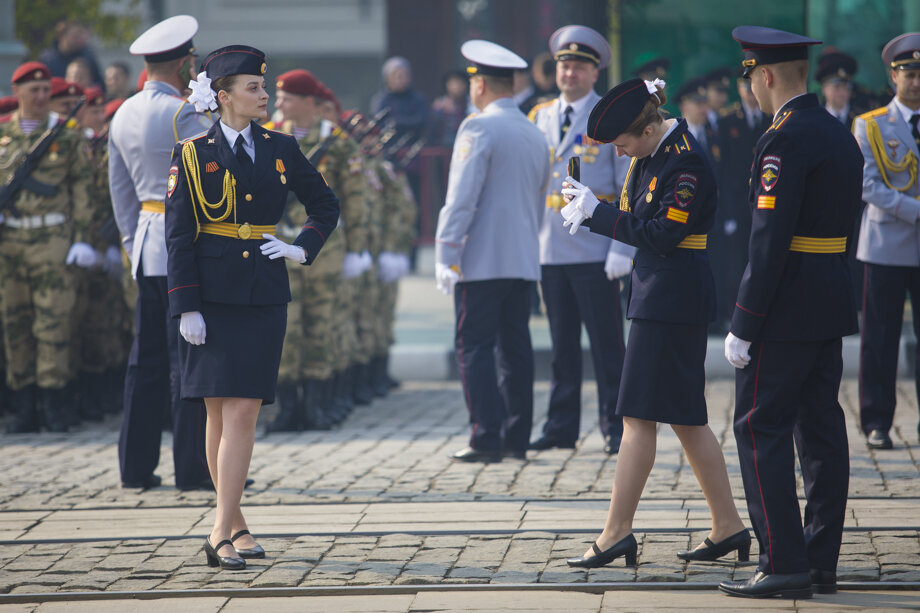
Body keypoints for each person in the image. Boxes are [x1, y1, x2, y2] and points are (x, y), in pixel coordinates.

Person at [559, 78, 749, 571]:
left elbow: (663, 234)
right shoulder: (654, 154)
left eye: (623, 144)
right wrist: (593, 207)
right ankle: (728, 525)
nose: (619, 153)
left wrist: (598, 215)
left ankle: (616, 533)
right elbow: (636, 214)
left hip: (670, 299)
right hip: (661, 295)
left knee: (637, 416)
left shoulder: (684, 161)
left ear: (647, 129)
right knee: (686, 417)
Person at [166, 44, 339, 570]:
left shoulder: (281, 147)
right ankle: (235, 523)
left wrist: (300, 247)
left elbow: (325, 203)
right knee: (218, 412)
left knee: (243, 410)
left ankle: (219, 529)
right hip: (211, 296)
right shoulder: (191, 153)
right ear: (223, 96)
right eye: (254, 88)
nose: (264, 95)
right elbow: (179, 235)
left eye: (263, 87)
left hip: (263, 293)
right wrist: (185, 306)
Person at [719, 26, 863, 599]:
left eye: (751, 77)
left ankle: (782, 560)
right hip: (829, 297)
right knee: (821, 428)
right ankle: (820, 559)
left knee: (760, 428)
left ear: (766, 76)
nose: (751, 89)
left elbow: (769, 241)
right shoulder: (837, 132)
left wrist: (744, 321)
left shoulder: (783, 140)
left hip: (783, 308)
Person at [108, 15, 213, 490]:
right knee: (189, 360)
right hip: (184, 248)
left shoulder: (122, 112)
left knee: (145, 360)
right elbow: (209, 182)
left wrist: (132, 243)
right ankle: (193, 468)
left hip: (147, 244)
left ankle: (134, 466)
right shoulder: (181, 113)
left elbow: (119, 191)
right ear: (185, 63)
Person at [435, 40, 549, 463]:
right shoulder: (534, 132)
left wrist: (446, 253)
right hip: (522, 258)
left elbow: (461, 199)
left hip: (481, 260)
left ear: (480, 85)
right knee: (515, 348)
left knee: (475, 347)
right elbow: (538, 200)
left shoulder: (478, 128)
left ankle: (486, 436)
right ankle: (516, 437)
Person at [527, 25, 632, 455]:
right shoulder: (539, 115)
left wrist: (622, 248)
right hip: (550, 248)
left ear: (594, 73)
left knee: (607, 345)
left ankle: (617, 427)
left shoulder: (607, 117)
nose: (569, 73)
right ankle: (561, 426)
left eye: (579, 67)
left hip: (594, 248)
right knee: (561, 345)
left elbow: (626, 187)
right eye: (564, 65)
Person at [264, 69, 367, 430]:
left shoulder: (337, 143)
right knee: (287, 329)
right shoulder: (269, 137)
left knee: (322, 327)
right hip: (280, 246)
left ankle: (316, 406)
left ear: (309, 101)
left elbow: (354, 199)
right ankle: (288, 407)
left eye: (287, 98)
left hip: (325, 249)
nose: (279, 103)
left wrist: (357, 249)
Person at [0, 61, 93, 433]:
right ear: (17, 92)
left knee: (53, 323)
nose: (40, 97)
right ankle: (25, 407)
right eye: (33, 90)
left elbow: (82, 191)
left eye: (44, 90)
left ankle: (54, 404)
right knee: (15, 323)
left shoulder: (67, 136)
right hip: (10, 241)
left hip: (52, 239)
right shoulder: (3, 134)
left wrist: (82, 239)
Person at [852, 33, 920, 450]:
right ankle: (877, 421)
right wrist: (915, 211)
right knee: (879, 338)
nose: (916, 82)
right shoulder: (872, 124)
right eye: (909, 73)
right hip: (886, 246)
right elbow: (867, 184)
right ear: (893, 76)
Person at [714, 72, 771, 330]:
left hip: (765, 200)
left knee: (763, 256)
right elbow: (723, 170)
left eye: (752, 86)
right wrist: (727, 211)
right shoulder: (727, 121)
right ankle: (736, 313)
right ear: (739, 89)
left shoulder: (770, 117)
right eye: (745, 87)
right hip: (737, 203)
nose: (750, 93)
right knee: (736, 261)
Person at [370, 56, 428, 142]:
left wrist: (396, 123)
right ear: (388, 78)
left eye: (406, 76)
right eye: (399, 77)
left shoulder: (418, 99)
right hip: (387, 146)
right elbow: (378, 124)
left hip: (413, 145)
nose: (403, 80)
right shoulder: (380, 100)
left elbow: (421, 121)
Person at [38, 21, 104, 87]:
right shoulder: (47, 59)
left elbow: (99, 84)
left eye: (81, 36)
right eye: (75, 36)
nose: (79, 40)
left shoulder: (87, 58)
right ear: (62, 36)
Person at [817, 49, 860, 127]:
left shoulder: (861, 118)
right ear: (824, 89)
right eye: (836, 87)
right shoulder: (816, 118)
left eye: (845, 87)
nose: (841, 92)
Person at [428, 70, 470, 147]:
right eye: (454, 83)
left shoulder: (471, 104)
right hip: (442, 146)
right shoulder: (439, 105)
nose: (457, 87)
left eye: (460, 83)